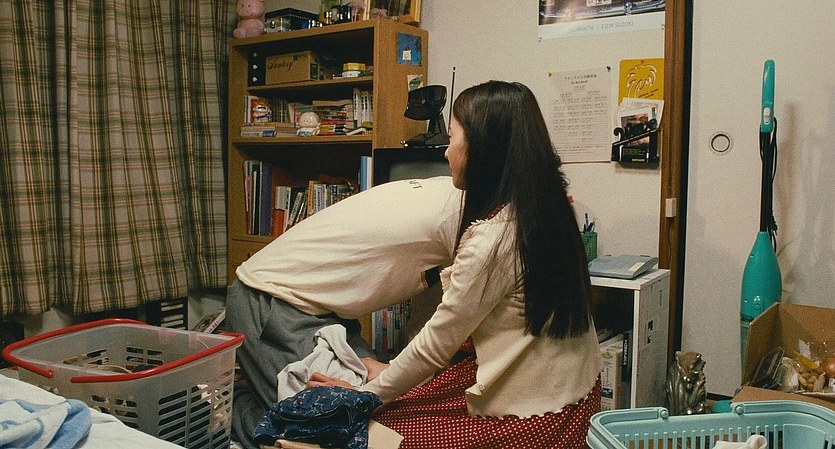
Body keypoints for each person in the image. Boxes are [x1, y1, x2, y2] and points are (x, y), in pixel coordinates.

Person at [310, 80, 603, 448]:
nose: (447, 152)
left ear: (484, 149)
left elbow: (436, 342)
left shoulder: (493, 239)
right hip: (578, 397)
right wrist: (391, 376)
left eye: (452, 138)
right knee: (410, 394)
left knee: (376, 431)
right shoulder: (549, 206)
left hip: (536, 420)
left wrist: (365, 396)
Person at [225, 176, 462, 448]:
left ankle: (253, 393)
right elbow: (441, 335)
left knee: (370, 423)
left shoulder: (457, 200)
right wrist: (385, 380)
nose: (446, 154)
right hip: (273, 298)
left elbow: (435, 314)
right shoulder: (460, 218)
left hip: (330, 315)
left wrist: (388, 371)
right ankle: (218, 409)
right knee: (320, 429)